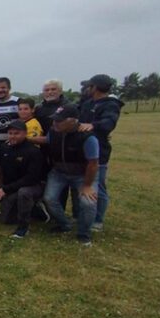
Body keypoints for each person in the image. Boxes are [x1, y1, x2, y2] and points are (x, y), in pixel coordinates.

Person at [39, 104, 100, 246]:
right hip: (59, 172)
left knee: (88, 202)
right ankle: (64, 224)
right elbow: (46, 140)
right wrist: (25, 139)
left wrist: (87, 185)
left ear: (73, 121)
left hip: (82, 174)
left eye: (59, 120)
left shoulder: (87, 137)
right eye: (54, 120)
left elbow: (93, 163)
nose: (55, 123)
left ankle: (84, 234)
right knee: (49, 198)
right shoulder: (54, 131)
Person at [79, 74, 124, 232]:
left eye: (89, 86)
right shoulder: (88, 102)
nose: (87, 89)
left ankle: (98, 220)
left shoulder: (111, 105)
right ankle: (82, 216)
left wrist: (92, 125)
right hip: (82, 150)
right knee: (83, 183)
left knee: (99, 186)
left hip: (99, 152)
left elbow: (108, 123)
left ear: (95, 87)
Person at [0, 121, 44, 239]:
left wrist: (5, 189)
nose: (12, 136)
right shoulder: (4, 148)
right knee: (6, 220)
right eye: (10, 133)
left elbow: (31, 178)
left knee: (24, 193)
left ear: (25, 133)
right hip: (12, 188)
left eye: (16, 133)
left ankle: (23, 228)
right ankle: (36, 210)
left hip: (32, 186)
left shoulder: (33, 151)